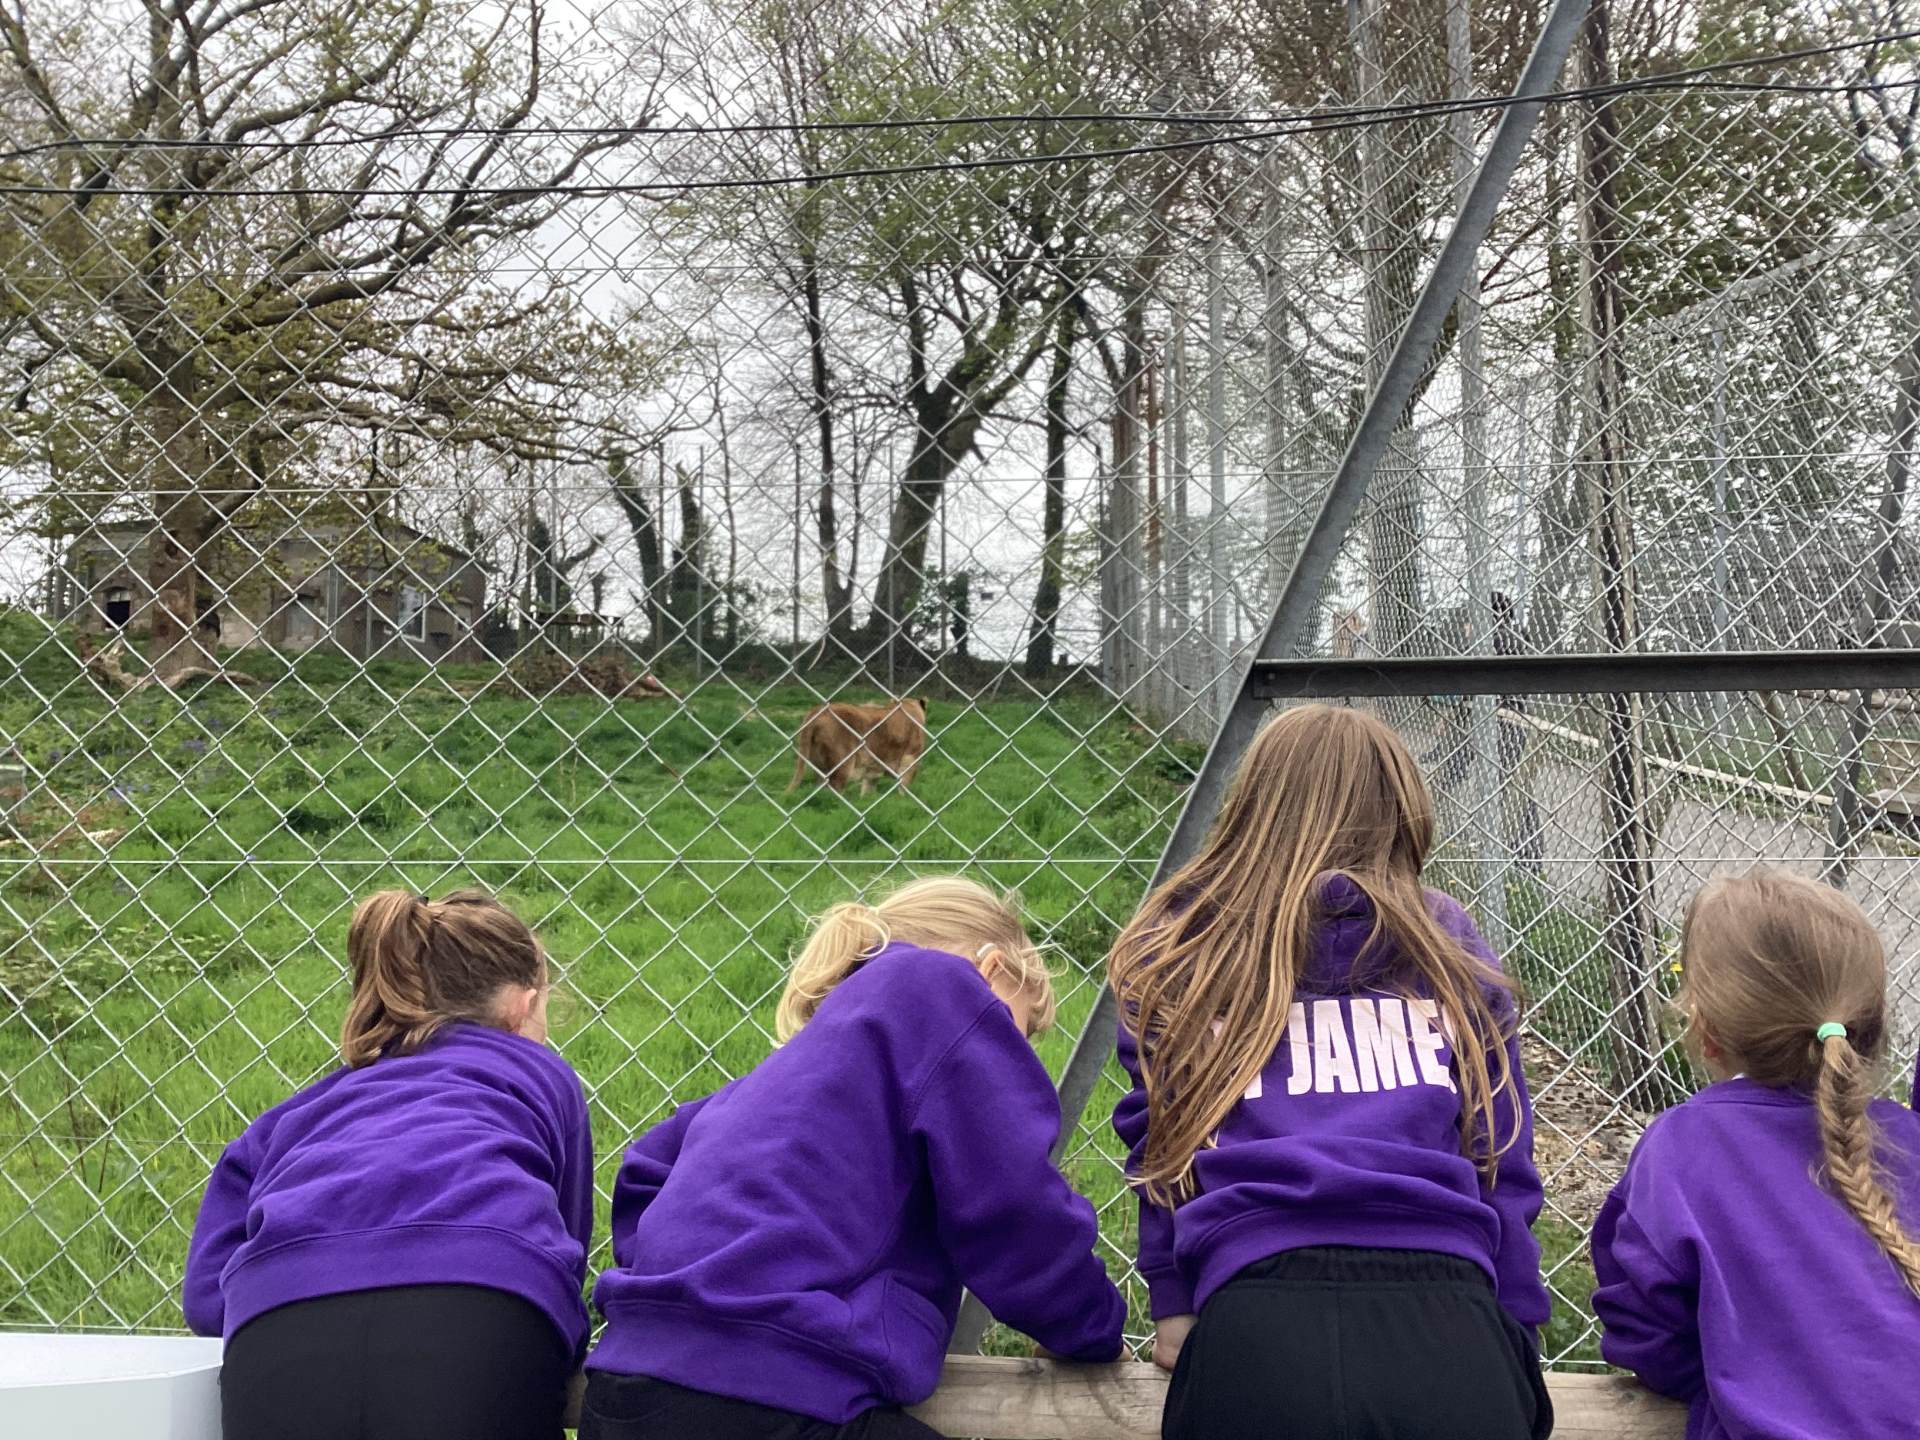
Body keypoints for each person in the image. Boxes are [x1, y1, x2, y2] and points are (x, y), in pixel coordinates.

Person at [1111, 703, 1551, 1440]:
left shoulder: (1190, 942)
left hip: (1252, 1314)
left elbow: (1161, 1137)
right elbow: (1500, 1148)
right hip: (1449, 1315)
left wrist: (1174, 1301)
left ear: (1251, 809)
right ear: (1402, 816)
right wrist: (1515, 1316)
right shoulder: (1445, 941)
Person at [582, 876, 1125, 1440]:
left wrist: (692, 1288)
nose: (1016, 1053)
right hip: (773, 1392)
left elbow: (646, 1168)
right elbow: (1012, 1207)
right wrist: (1091, 1327)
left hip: (624, 1386)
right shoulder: (946, 991)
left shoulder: (771, 1079)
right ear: (991, 969)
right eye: (1021, 1030)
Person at [183, 890, 592, 1440]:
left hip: (278, 1325)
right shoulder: (536, 1072)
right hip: (484, 1301)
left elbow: (206, 1293)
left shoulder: (298, 1114)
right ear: (523, 1007)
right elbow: (565, 1244)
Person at [1590, 868, 1920, 1438]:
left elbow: (1643, 1328)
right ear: (1870, 1023)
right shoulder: (1907, 1138)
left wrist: (1736, 1380)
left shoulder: (1683, 1146)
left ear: (1704, 1027)